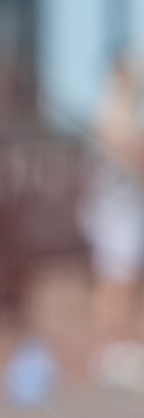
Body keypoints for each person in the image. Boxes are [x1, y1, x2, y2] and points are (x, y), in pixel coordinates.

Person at [81, 52, 144, 389]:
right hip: (114, 212)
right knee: (114, 283)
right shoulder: (113, 109)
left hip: (128, 210)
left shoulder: (128, 108)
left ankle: (122, 349)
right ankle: (109, 352)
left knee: (127, 283)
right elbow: (126, 153)